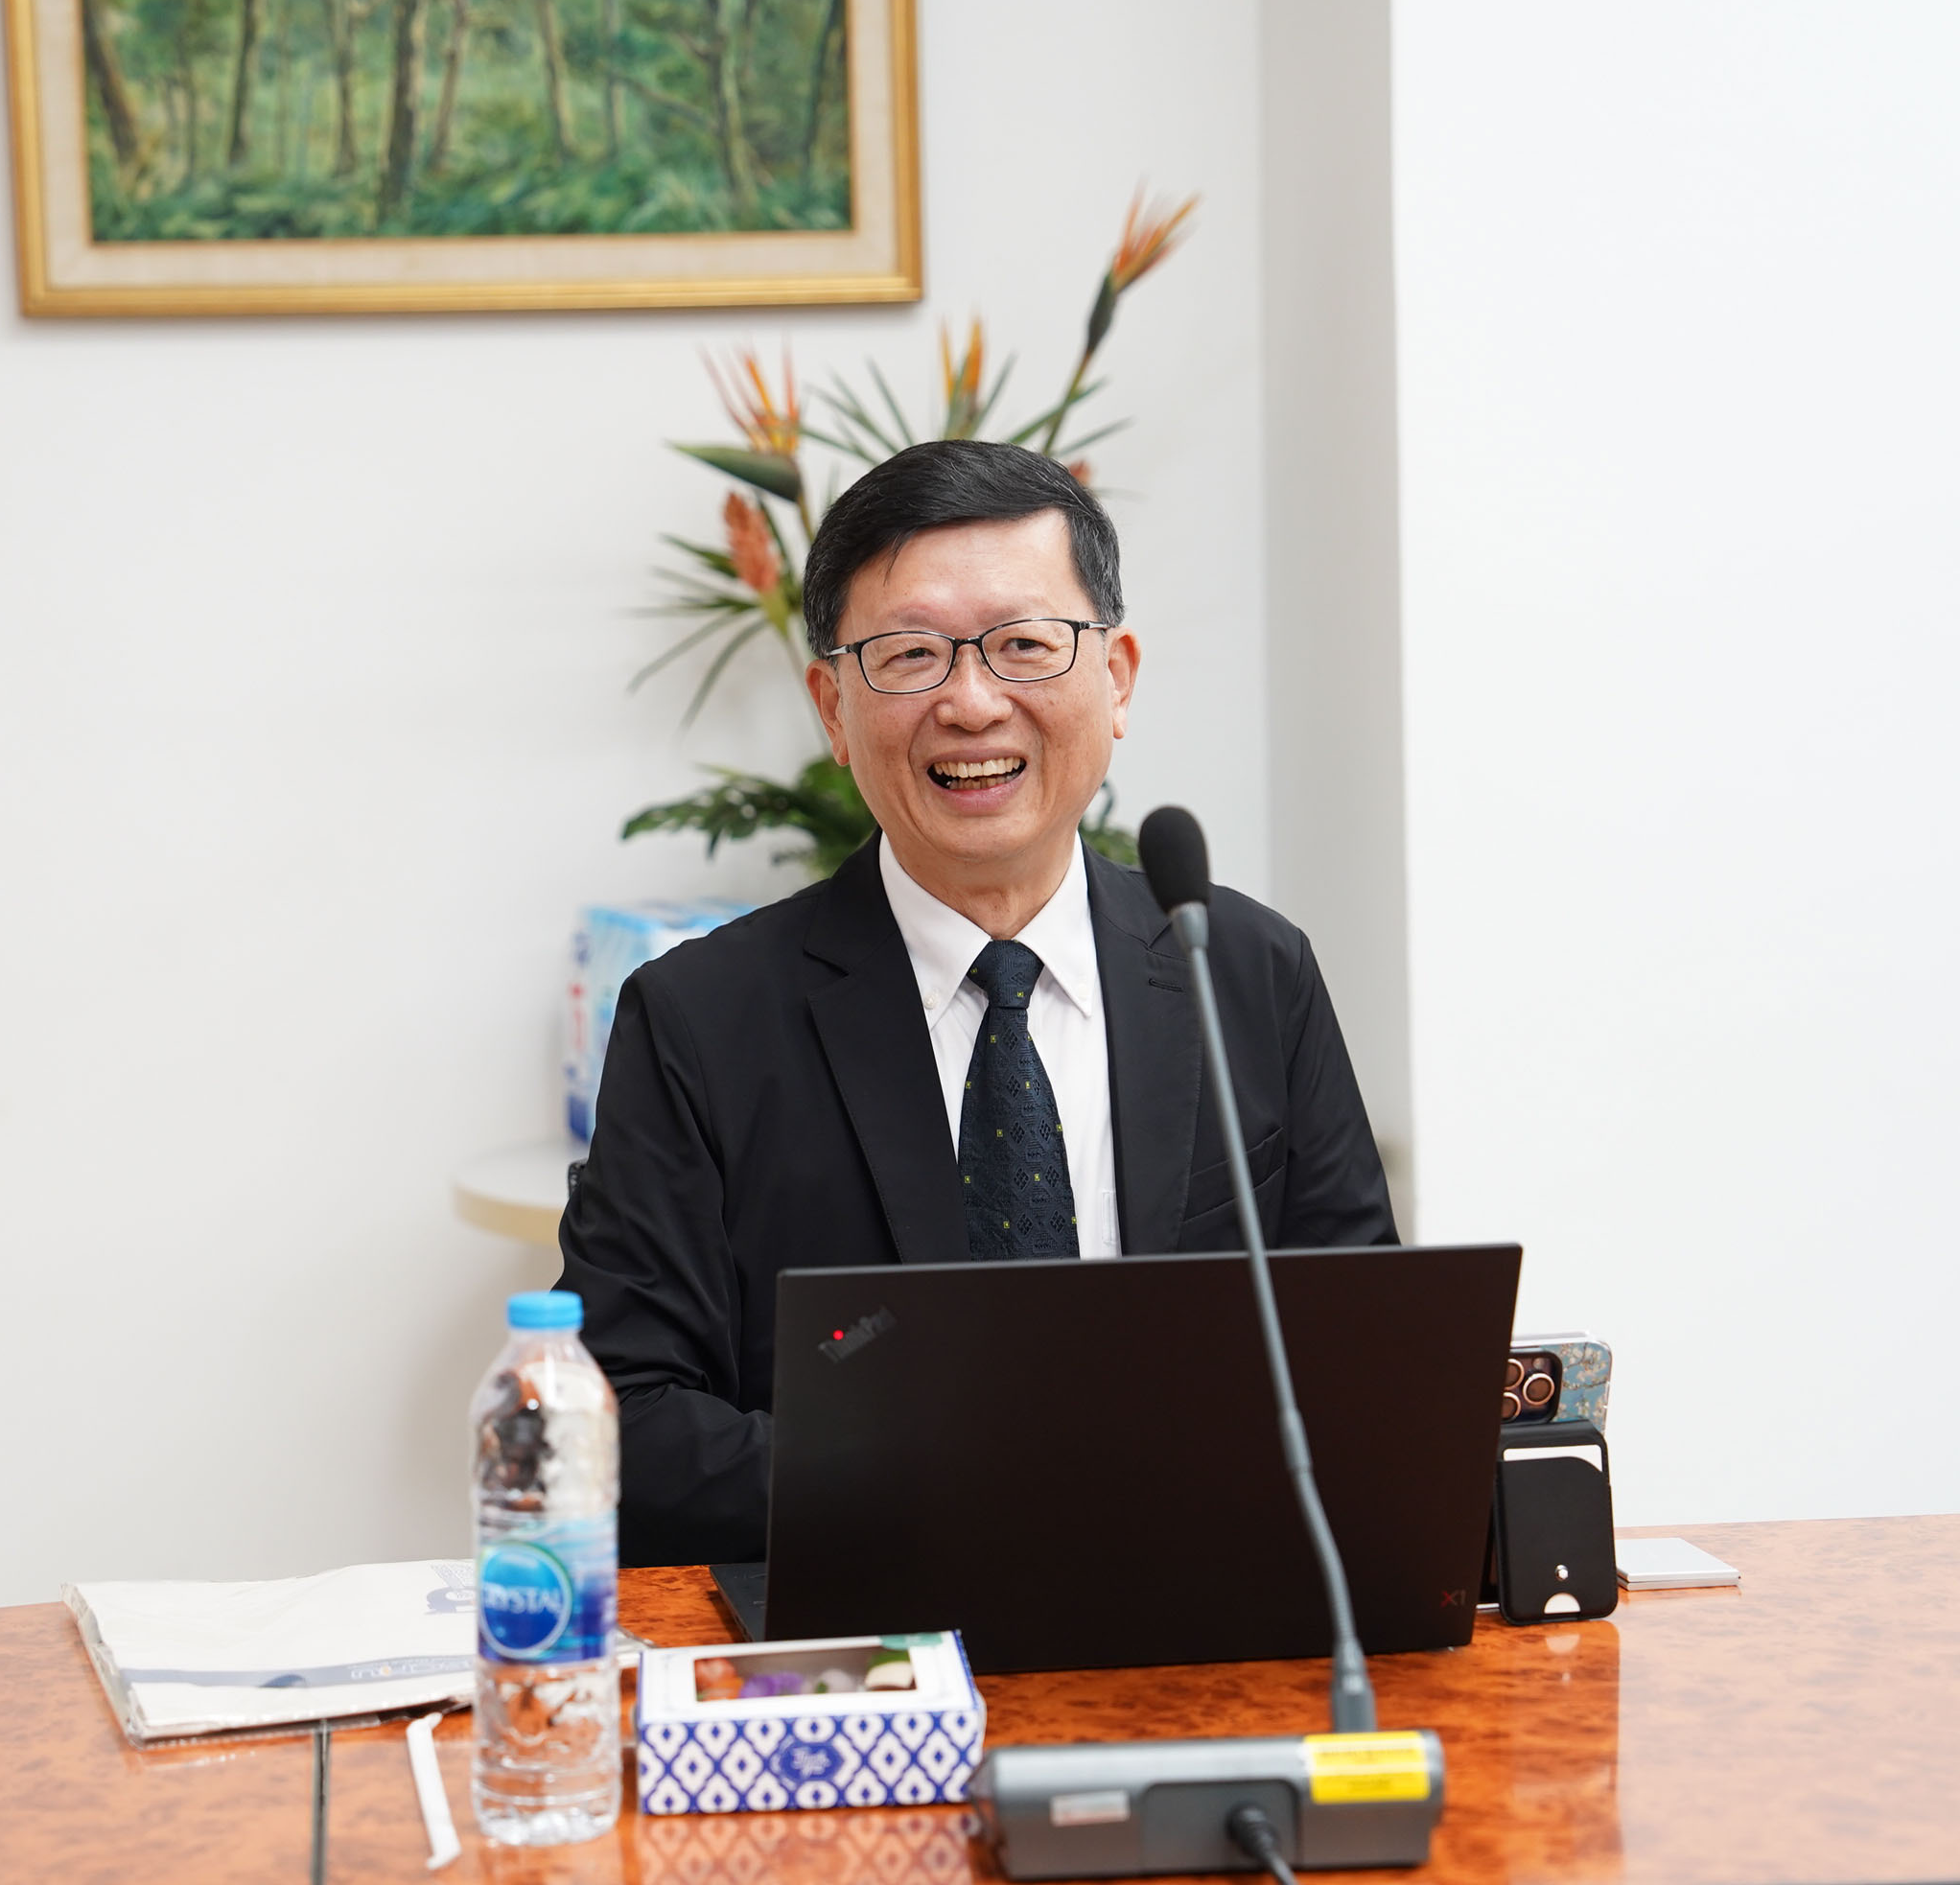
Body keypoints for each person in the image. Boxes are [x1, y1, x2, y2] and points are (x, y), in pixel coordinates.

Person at [557, 440, 1396, 1565]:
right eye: (909, 654)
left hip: (1204, 1613)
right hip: (865, 1620)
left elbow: (1366, 1361)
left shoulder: (1244, 970)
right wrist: (960, 1488)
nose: (970, 700)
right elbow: (618, 1421)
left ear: (1117, 677)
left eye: (1023, 644)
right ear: (832, 707)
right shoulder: (701, 1019)